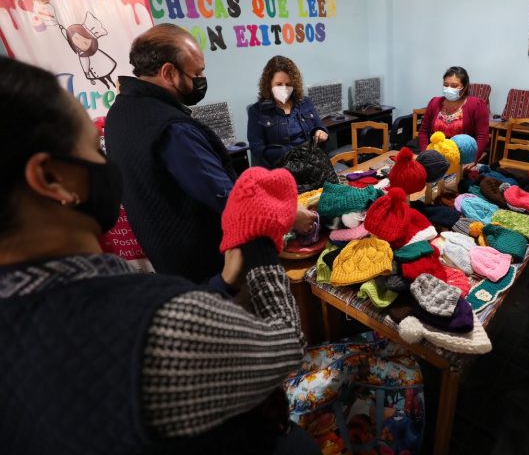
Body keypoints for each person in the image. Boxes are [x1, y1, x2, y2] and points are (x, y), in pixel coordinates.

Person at [0, 56, 318, 454]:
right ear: (52, 179)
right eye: (93, 149)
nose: (108, 163)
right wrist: (259, 242)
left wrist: (222, 284)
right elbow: (285, 346)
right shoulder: (155, 324)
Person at [105, 25, 315, 282]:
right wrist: (289, 214)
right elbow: (226, 197)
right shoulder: (173, 129)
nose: (202, 78)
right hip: (207, 266)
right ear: (168, 73)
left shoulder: (118, 113)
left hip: (168, 261)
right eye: (197, 73)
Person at [247, 55, 328, 168]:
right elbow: (256, 148)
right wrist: (286, 153)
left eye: (288, 84)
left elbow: (320, 126)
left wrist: (321, 132)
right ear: (269, 84)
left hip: (311, 164)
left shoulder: (305, 102)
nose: (284, 88)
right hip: (281, 168)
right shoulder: (257, 111)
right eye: (279, 84)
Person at [418, 66, 489, 165]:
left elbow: (482, 137)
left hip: (462, 160)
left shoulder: (477, 105)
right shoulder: (434, 102)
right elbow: (423, 131)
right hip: (435, 158)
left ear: (464, 87)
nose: (448, 88)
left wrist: (473, 160)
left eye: (454, 86)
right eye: (445, 85)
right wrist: (425, 155)